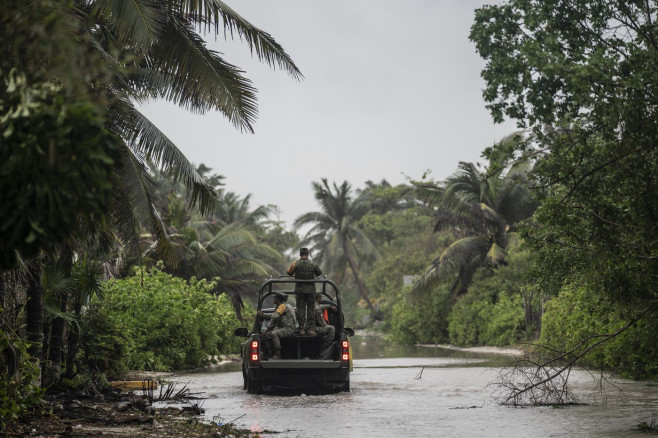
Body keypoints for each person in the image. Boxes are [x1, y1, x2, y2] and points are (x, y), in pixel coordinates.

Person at [287, 247, 322, 335]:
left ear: (300, 254)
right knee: (311, 309)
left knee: (300, 309)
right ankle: (311, 329)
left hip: (299, 291)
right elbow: (319, 273)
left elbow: (289, 273)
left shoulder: (295, 264)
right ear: (308, 254)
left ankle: (301, 329)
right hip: (310, 291)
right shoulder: (312, 264)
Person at [258, 292, 296, 359]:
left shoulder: (283, 306)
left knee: (274, 334)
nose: (274, 299)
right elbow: (273, 321)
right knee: (265, 335)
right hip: (283, 328)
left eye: (274, 298)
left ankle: (278, 355)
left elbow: (275, 316)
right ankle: (269, 354)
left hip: (288, 328)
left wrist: (263, 315)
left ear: (278, 299)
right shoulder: (279, 307)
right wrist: (266, 330)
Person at [314, 293, 336, 358]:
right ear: (318, 298)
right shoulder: (317, 309)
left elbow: (321, 306)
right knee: (331, 328)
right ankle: (326, 348)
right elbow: (322, 324)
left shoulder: (309, 305)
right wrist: (326, 325)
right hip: (313, 329)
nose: (322, 299)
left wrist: (329, 306)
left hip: (306, 329)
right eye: (321, 298)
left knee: (323, 336)